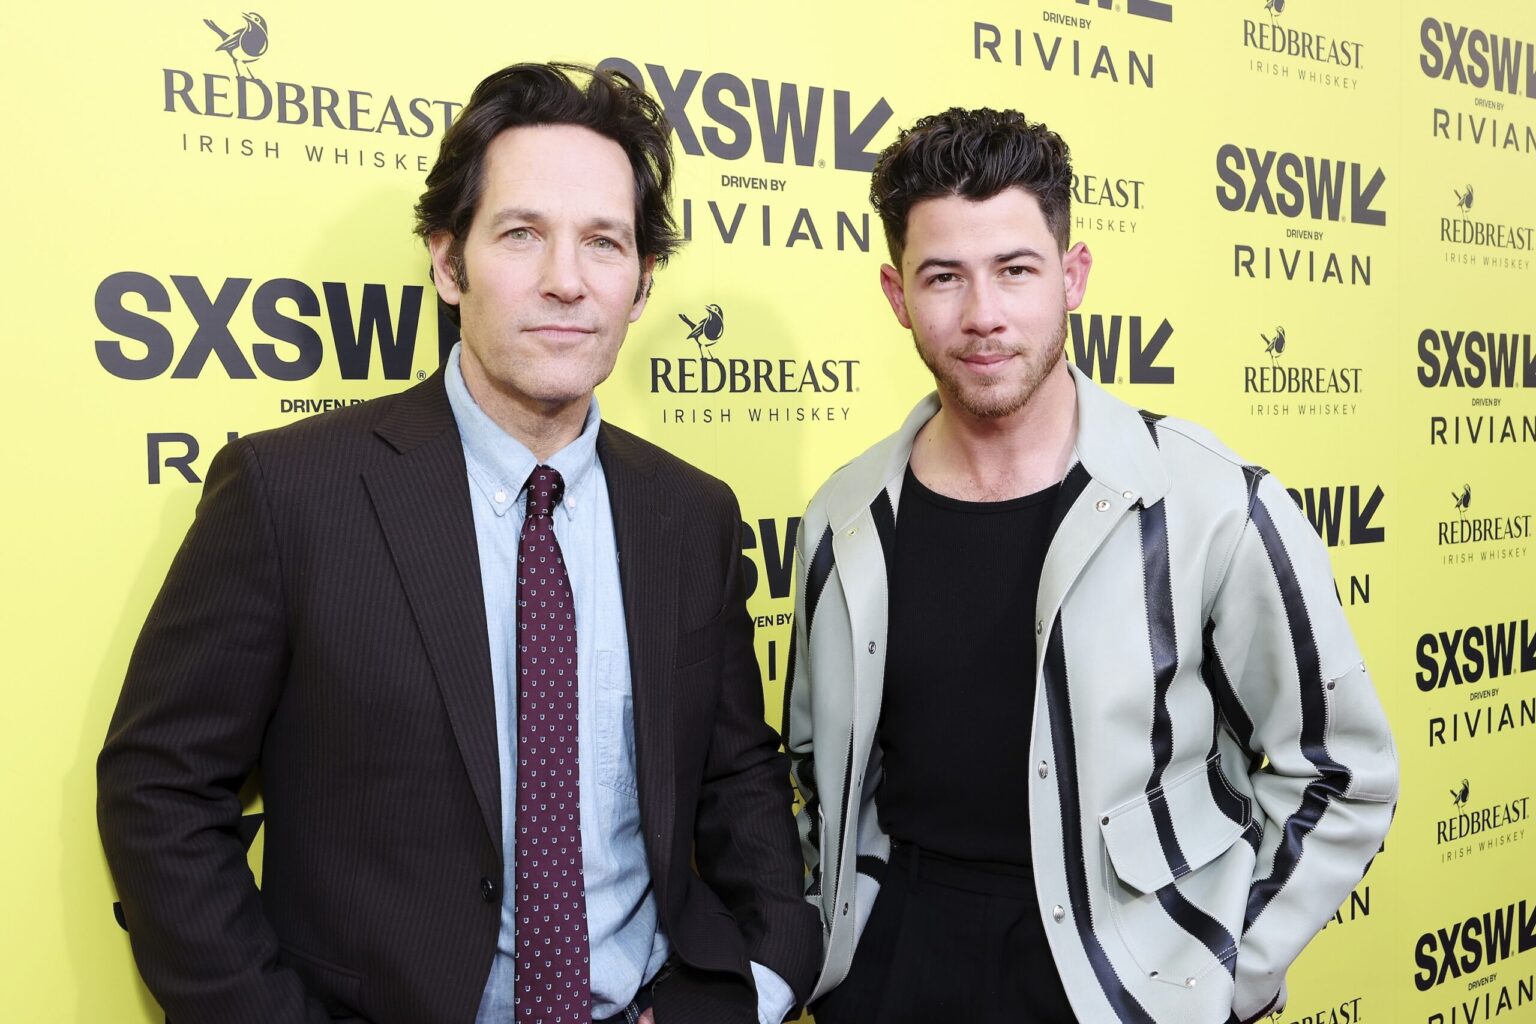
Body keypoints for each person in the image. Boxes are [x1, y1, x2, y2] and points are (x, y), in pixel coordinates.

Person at [98, 62, 818, 1024]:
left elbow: (736, 776)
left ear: (642, 284)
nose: (565, 280)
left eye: (604, 243)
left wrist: (763, 977)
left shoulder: (692, 514)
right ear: (448, 263)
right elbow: (161, 789)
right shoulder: (289, 492)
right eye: (521, 234)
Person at [783, 107, 1398, 1024]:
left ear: (1072, 277)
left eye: (1016, 270)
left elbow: (1343, 771)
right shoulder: (844, 516)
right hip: (893, 964)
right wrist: (842, 945)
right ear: (896, 294)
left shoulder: (1208, 501)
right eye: (943, 276)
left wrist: (1225, 977)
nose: (983, 315)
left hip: (1124, 978)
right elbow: (812, 770)